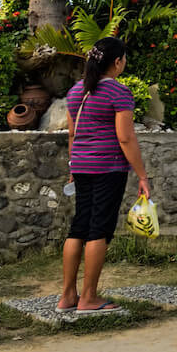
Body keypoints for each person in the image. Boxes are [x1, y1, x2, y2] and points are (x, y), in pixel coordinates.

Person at [57, 37, 151, 313]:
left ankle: (67, 297)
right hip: (108, 168)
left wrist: (73, 167)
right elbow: (125, 137)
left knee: (79, 227)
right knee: (99, 229)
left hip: (82, 166)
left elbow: (72, 134)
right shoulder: (119, 93)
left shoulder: (76, 92)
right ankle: (89, 298)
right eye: (124, 59)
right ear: (118, 62)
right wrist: (142, 175)